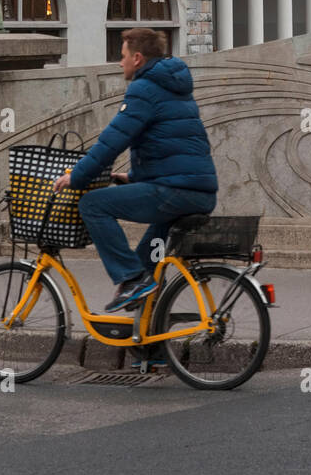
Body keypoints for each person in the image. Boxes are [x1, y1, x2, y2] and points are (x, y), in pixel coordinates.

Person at [53, 27, 217, 313]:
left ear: (138, 58)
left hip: (175, 193)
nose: (120, 62)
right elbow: (171, 148)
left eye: (123, 56)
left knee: (92, 204)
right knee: (147, 266)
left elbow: (111, 142)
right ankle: (150, 352)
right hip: (195, 192)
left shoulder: (144, 89)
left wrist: (76, 176)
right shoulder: (174, 88)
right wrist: (132, 177)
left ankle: (130, 279)